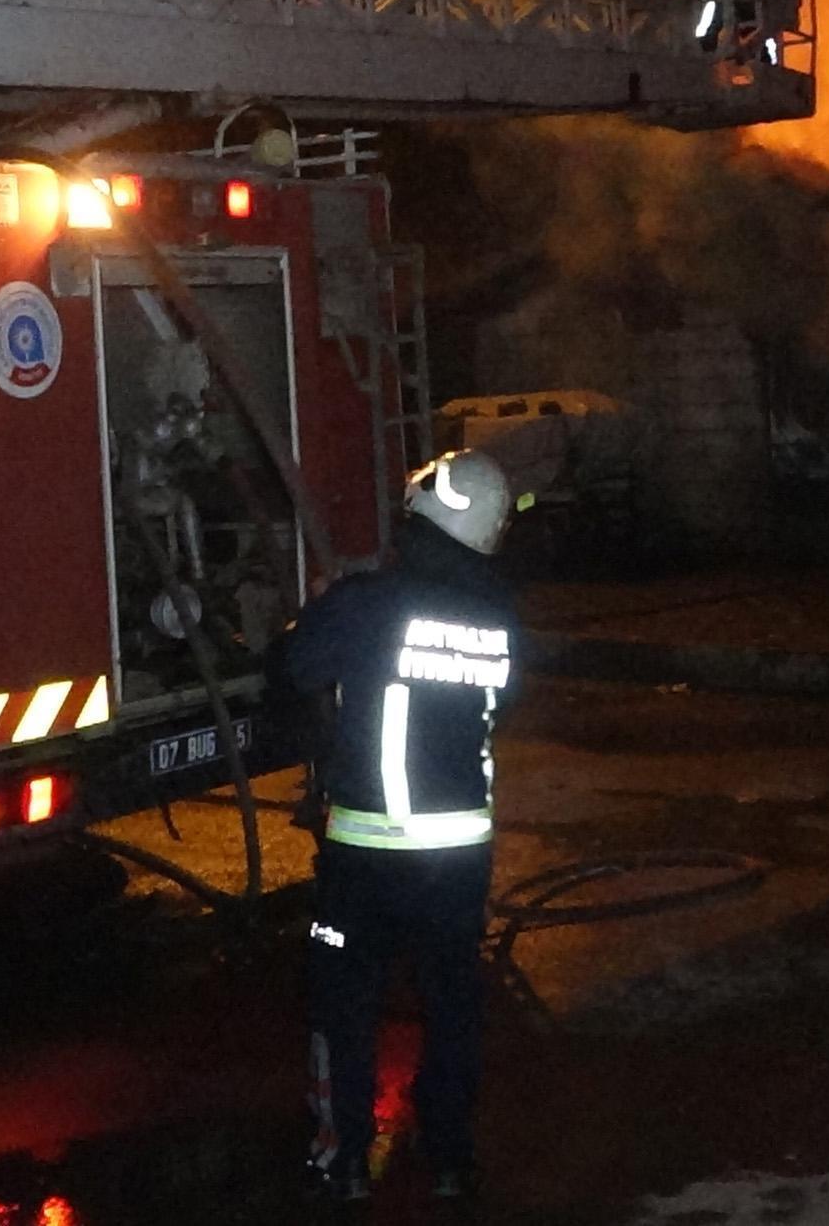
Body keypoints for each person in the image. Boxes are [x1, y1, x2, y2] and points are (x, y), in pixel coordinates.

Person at [287, 450, 527, 1207]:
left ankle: (344, 1160)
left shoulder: (369, 603)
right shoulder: (500, 619)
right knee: (453, 1004)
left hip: (366, 857)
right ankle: (452, 1158)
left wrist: (320, 609)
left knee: (344, 1002)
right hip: (459, 860)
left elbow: (293, 667)